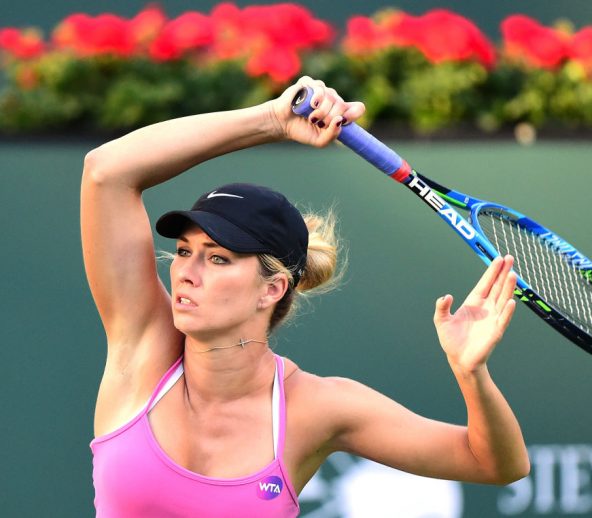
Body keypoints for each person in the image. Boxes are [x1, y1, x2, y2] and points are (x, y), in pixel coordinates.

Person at [81, 76, 529, 517]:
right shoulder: (141, 349)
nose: (186, 273)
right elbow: (106, 171)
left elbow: (496, 464)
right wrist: (272, 119)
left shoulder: (314, 408)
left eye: (217, 258)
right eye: (183, 252)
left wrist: (472, 374)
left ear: (272, 289)